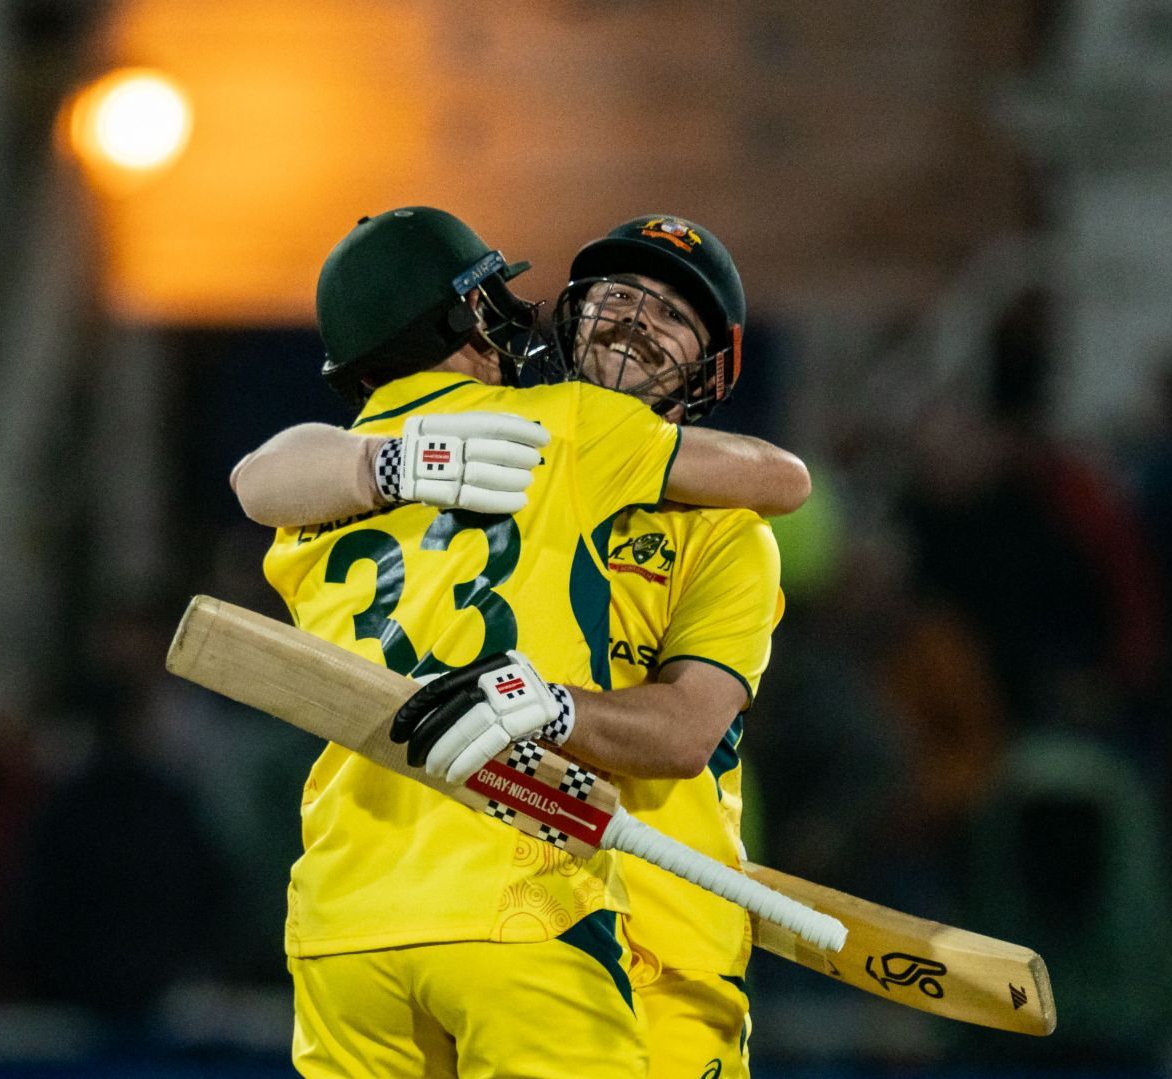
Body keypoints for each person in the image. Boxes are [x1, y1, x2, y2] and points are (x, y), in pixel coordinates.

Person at [231, 207, 808, 1077]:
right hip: (537, 906)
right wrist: (389, 461)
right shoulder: (513, 434)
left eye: (674, 316)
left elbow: (685, 731)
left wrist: (552, 706)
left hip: (654, 945)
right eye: (620, 295)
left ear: (711, 367)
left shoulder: (725, 533)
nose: (637, 324)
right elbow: (268, 474)